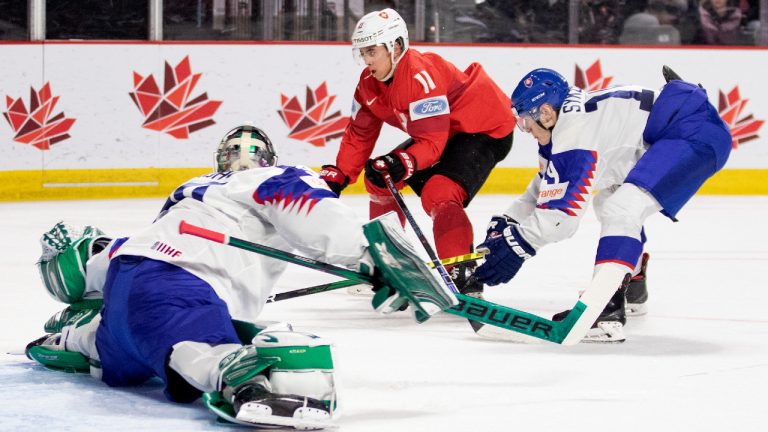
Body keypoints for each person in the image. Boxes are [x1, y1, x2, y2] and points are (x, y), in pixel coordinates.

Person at [25, 124, 453, 429]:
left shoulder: (192, 190)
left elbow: (114, 257)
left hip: (130, 286)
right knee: (193, 347)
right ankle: (241, 377)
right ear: (267, 159)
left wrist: (83, 280)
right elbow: (308, 209)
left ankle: (73, 338)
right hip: (180, 286)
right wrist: (372, 258)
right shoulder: (273, 177)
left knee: (126, 339)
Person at [473, 67, 732, 343]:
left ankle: (605, 310)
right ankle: (631, 284)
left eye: (526, 122)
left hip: (692, 131)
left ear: (546, 112)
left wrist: (518, 245)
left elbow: (561, 218)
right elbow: (545, 188)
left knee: (621, 208)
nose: (526, 130)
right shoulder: (565, 122)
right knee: (608, 199)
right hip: (681, 128)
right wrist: (509, 221)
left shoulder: (574, 131)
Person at [319, 8, 516, 298]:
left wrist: (405, 162)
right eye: (363, 52)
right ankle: (387, 259)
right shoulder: (367, 85)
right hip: (444, 132)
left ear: (396, 47)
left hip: (484, 127)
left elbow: (432, 142)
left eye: (372, 51)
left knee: (439, 191)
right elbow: (360, 133)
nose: (367, 60)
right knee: (378, 177)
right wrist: (341, 175)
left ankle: (461, 272)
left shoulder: (421, 75)